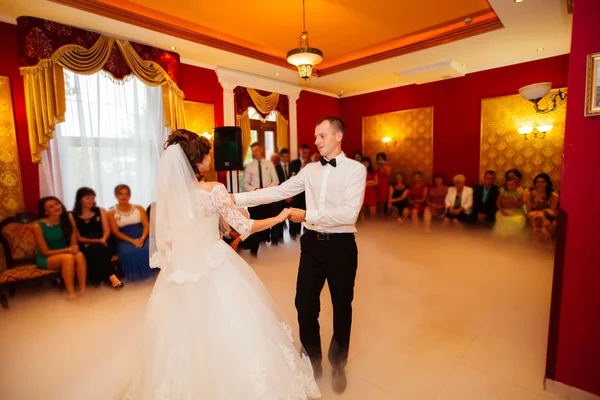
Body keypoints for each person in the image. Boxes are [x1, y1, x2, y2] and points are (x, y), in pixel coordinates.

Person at [122, 130, 320, 399]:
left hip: (180, 269)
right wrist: (281, 216)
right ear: (197, 160)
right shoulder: (213, 188)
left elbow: (172, 237)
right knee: (233, 325)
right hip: (214, 263)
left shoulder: (169, 197)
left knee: (183, 332)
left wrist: (217, 226)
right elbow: (244, 227)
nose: (211, 159)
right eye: (207, 154)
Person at [232, 116, 366, 394]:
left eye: (322, 136)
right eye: (316, 136)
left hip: (341, 247)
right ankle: (313, 358)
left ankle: (338, 362)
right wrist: (233, 198)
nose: (316, 141)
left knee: (342, 306)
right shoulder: (309, 171)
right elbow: (277, 192)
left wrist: (308, 215)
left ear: (339, 136)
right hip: (312, 245)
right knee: (304, 304)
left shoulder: (355, 170)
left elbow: (349, 214)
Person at [33, 197, 87, 299]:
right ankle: (71, 293)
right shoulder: (38, 226)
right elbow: (45, 252)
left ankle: (83, 291)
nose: (56, 207)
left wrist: (74, 248)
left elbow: (73, 242)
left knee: (79, 255)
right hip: (48, 257)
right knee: (68, 258)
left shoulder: (68, 218)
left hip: (67, 252)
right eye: (51, 207)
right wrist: (67, 250)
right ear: (45, 212)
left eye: (57, 204)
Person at [72, 187, 123, 288]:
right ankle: (112, 276)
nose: (91, 201)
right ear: (79, 200)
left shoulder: (101, 211)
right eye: (87, 198)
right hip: (86, 244)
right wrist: (97, 241)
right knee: (96, 249)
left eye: (93, 198)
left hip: (105, 242)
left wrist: (103, 239)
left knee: (98, 249)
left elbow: (107, 230)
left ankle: (103, 279)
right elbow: (78, 237)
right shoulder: (72, 215)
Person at [107, 185, 153, 281]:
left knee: (148, 248)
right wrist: (132, 241)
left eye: (127, 194)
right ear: (116, 195)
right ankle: (134, 277)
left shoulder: (139, 208)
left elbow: (146, 225)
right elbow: (115, 231)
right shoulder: (111, 212)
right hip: (124, 238)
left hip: (142, 235)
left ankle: (150, 276)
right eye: (121, 194)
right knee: (128, 252)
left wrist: (143, 238)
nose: (124, 196)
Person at [243, 142, 280, 246]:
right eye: (253, 151)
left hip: (269, 197)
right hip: (255, 200)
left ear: (261, 150)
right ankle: (259, 245)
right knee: (257, 224)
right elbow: (245, 184)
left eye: (257, 150)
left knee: (274, 221)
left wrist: (266, 190)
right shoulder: (249, 166)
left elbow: (276, 181)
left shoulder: (269, 164)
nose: (255, 153)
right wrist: (255, 189)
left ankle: (275, 245)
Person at [287, 144, 311, 239]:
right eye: (304, 152)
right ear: (300, 152)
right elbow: (291, 178)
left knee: (307, 216)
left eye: (307, 153)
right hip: (296, 195)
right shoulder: (293, 163)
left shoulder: (313, 164)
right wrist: (302, 168)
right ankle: (293, 236)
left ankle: (306, 236)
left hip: (307, 195)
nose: (306, 155)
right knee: (294, 217)